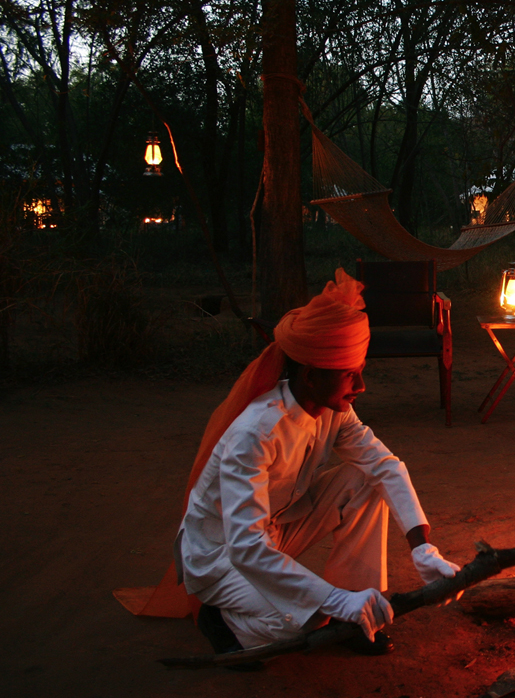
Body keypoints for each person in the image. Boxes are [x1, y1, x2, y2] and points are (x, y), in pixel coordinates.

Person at [175, 269, 460, 661]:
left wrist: (423, 548)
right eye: (349, 375)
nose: (360, 386)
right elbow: (246, 547)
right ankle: (222, 621)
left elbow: (385, 466)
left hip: (276, 529)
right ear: (310, 376)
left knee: (363, 477)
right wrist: (329, 601)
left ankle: (354, 612)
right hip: (222, 556)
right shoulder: (254, 434)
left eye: (360, 372)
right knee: (304, 620)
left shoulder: (334, 412)